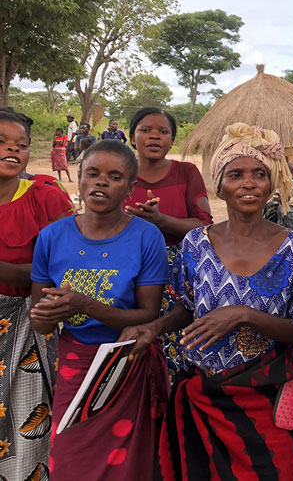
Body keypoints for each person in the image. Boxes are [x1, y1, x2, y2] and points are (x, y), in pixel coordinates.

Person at [120, 123, 293, 480]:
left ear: (271, 183)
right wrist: (154, 327)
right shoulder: (196, 244)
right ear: (219, 185)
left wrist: (242, 314)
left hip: (263, 395)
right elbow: (184, 308)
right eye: (236, 174)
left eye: (259, 174)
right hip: (200, 395)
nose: (248, 183)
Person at [29, 139, 169, 480]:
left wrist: (83, 304)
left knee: (128, 464)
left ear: (132, 187)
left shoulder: (146, 237)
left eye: (114, 176)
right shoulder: (51, 237)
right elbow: (41, 317)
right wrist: (43, 316)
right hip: (74, 367)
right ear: (79, 177)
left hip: (126, 365)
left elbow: (148, 315)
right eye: (92, 173)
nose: (101, 182)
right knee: (70, 454)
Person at [0, 110, 73, 480]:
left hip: (28, 328)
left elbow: (69, 266)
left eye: (21, 145)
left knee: (25, 422)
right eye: (1, 142)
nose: (12, 149)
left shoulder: (44, 197)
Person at [123, 107, 212, 380]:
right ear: (131, 137)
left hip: (177, 273)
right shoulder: (118, 174)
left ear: (172, 140)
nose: (154, 137)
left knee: (175, 347)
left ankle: (176, 403)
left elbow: (205, 226)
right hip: (126, 271)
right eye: (146, 130)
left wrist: (160, 220)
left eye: (163, 132)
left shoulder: (186, 173)